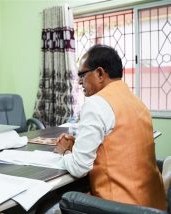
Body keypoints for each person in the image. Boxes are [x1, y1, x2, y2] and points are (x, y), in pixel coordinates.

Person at [54, 44, 166, 210]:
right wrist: (79, 145)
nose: (79, 81)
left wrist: (65, 152)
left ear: (99, 73)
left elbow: (79, 167)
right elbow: (119, 145)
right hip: (154, 205)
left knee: (61, 202)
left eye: (82, 75)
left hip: (119, 207)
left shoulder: (96, 104)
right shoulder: (137, 102)